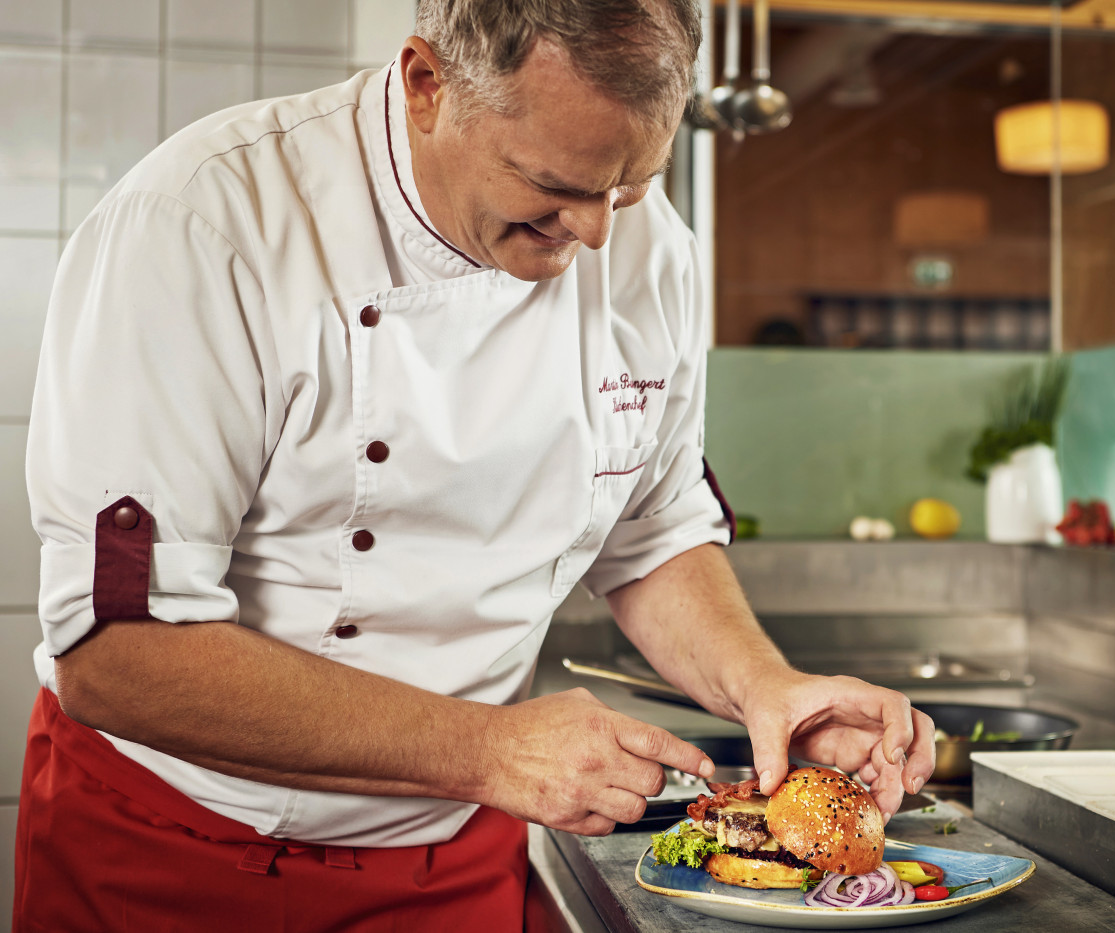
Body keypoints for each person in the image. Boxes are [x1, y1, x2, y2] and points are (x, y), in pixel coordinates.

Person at [18, 1, 935, 929]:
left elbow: (651, 534)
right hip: (170, 847)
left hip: (455, 852)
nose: (595, 235)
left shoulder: (650, 249)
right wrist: (490, 748)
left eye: (628, 187)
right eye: (555, 183)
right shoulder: (206, 223)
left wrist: (766, 689)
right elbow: (117, 652)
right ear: (427, 84)